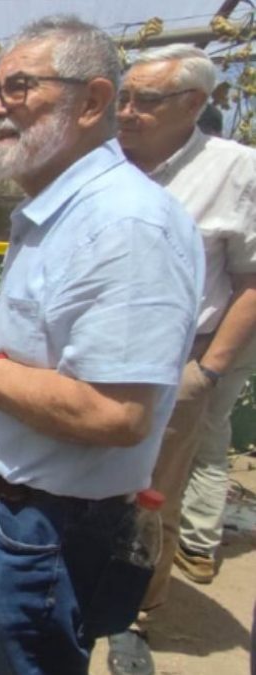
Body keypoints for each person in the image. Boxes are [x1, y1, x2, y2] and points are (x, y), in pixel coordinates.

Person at [0, 16, 203, 673]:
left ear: (92, 102)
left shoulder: (124, 225)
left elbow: (119, 412)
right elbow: (48, 341)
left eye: (18, 87)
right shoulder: (61, 213)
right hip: (17, 512)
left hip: (52, 526)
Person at [107, 44, 256, 674]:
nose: (127, 112)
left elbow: (250, 281)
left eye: (145, 100)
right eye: (123, 98)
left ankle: (131, 616)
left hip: (176, 362)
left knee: (153, 496)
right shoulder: (101, 163)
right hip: (95, 351)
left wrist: (208, 371)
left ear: (193, 103)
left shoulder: (234, 171)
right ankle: (78, 589)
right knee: (82, 482)